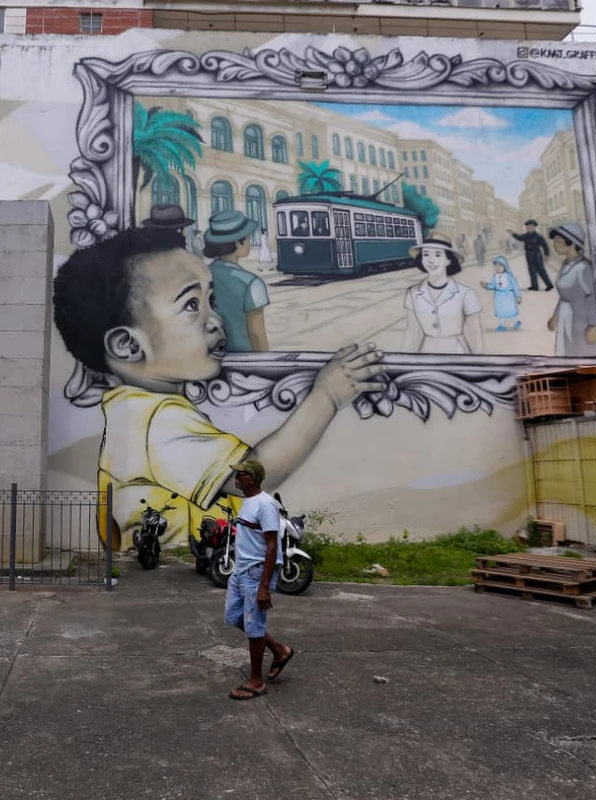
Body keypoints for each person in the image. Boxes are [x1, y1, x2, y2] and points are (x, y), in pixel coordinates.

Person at [50, 226, 388, 547]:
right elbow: (254, 477)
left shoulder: (131, 409)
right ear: (128, 345)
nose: (216, 320)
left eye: (211, 301)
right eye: (191, 305)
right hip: (185, 562)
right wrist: (326, 396)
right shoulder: (157, 420)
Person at [223, 457, 294, 701]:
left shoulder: (266, 505)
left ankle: (257, 680)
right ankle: (279, 650)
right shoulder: (247, 502)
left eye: (240, 475)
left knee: (254, 627)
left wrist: (264, 586)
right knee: (233, 617)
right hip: (240, 570)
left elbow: (272, 547)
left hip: (256, 573)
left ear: (250, 478)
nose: (236, 478)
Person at [401, 233, 485, 354]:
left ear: (448, 260)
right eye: (426, 254)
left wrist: (480, 365)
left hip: (458, 354)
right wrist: (405, 361)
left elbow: (475, 333)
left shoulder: (465, 293)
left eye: (437, 254)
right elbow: (412, 331)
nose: (430, 260)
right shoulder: (412, 293)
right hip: (426, 353)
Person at [203, 210, 270, 353]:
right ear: (238, 242)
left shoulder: (203, 275)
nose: (249, 243)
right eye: (247, 239)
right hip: (243, 360)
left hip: (209, 357)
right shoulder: (252, 283)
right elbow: (256, 334)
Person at [546, 222, 596, 358]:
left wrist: (594, 325)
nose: (554, 244)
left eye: (558, 241)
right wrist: (556, 316)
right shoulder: (566, 265)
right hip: (567, 318)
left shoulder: (584, 268)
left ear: (572, 243)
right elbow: (564, 295)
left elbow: (594, 297)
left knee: (581, 352)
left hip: (581, 321)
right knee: (567, 351)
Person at [508, 219, 553, 291]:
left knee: (541, 270)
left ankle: (549, 285)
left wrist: (546, 255)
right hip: (529, 255)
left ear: (533, 227)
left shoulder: (538, 236)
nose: (527, 228)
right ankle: (534, 286)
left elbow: (545, 245)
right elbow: (519, 238)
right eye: (527, 227)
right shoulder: (526, 235)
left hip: (537, 255)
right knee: (531, 270)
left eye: (529, 227)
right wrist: (513, 233)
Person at [481, 255, 522, 331]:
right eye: (496, 265)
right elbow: (493, 285)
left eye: (500, 265)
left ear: (505, 266)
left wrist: (518, 296)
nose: (498, 267)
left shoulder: (508, 276)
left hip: (508, 295)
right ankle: (502, 325)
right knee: (500, 311)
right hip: (499, 296)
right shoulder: (495, 276)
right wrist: (486, 285)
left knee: (510, 310)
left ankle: (517, 321)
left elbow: (515, 286)